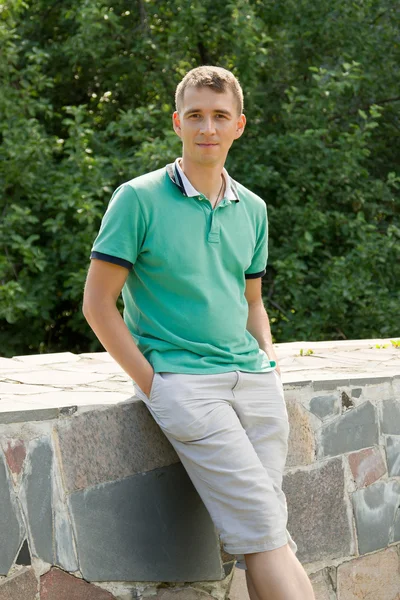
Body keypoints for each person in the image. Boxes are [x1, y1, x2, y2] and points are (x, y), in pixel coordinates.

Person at [83, 65, 315, 600]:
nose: (207, 127)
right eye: (195, 116)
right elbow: (98, 304)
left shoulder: (252, 209)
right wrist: (153, 385)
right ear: (177, 123)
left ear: (239, 126)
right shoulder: (137, 200)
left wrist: (270, 364)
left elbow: (252, 301)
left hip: (256, 384)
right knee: (266, 532)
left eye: (219, 116)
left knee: (264, 535)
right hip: (186, 385)